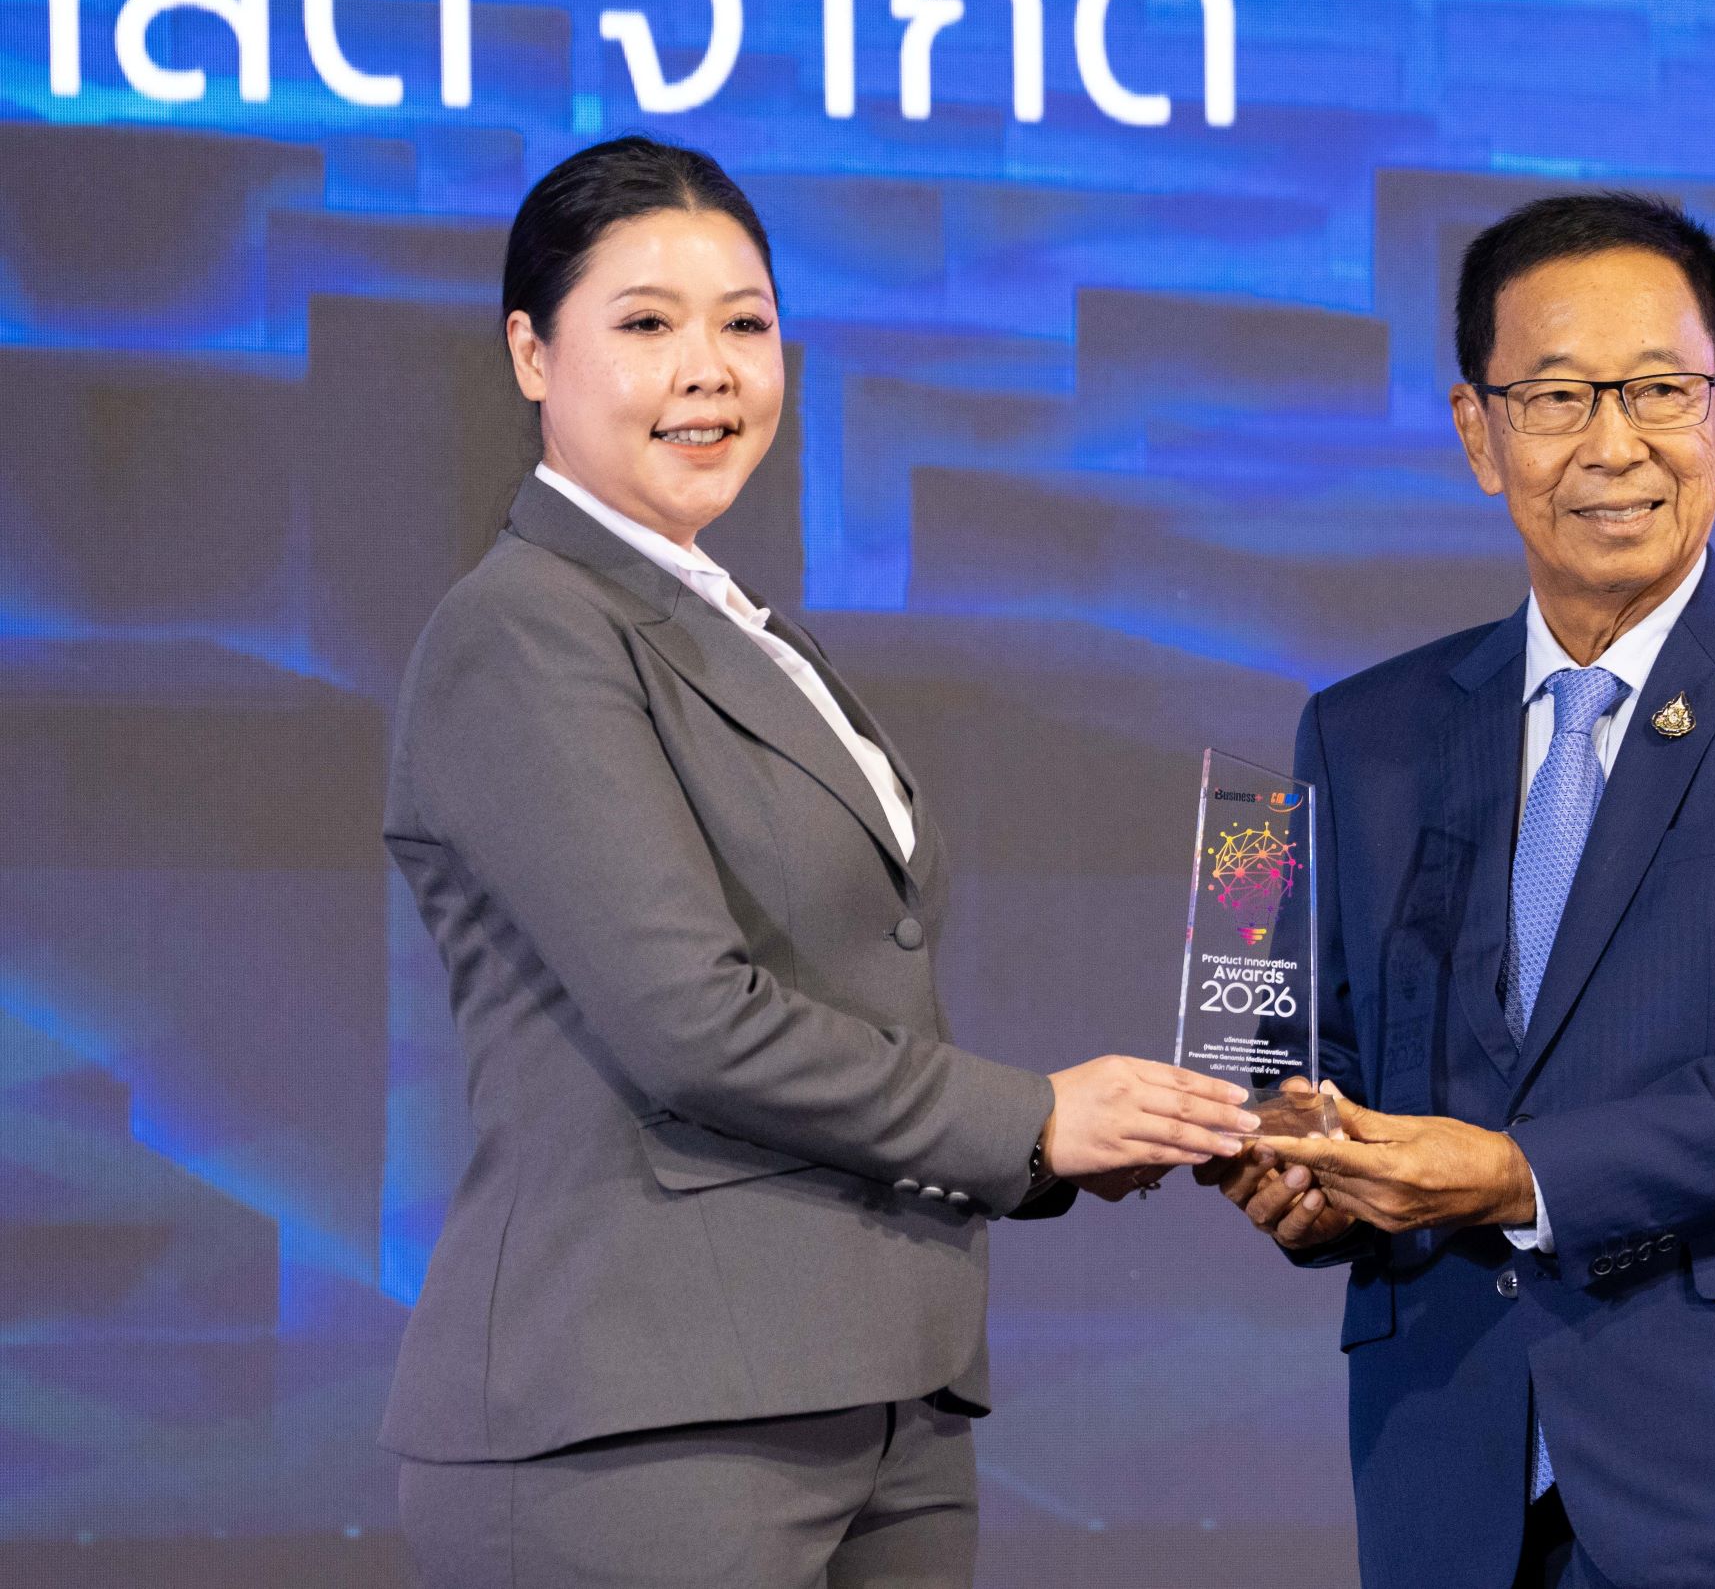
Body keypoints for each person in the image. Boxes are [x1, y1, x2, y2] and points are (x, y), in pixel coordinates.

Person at [383, 136, 1259, 1589]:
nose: (711, 370)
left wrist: (1066, 1139)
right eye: (647, 324)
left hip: (883, 1392)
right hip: (644, 1419)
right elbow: (690, 1020)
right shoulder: (524, 629)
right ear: (532, 354)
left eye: (746, 323)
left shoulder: (732, 622)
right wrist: (1034, 1119)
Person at [1205, 192, 1715, 1589]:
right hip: (1451, 1464)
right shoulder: (1357, 731)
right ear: (1477, 435)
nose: (1614, 444)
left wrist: (1519, 1174)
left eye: (1658, 390)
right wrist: (1293, 1155)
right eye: (1555, 397)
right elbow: (1291, 1051)